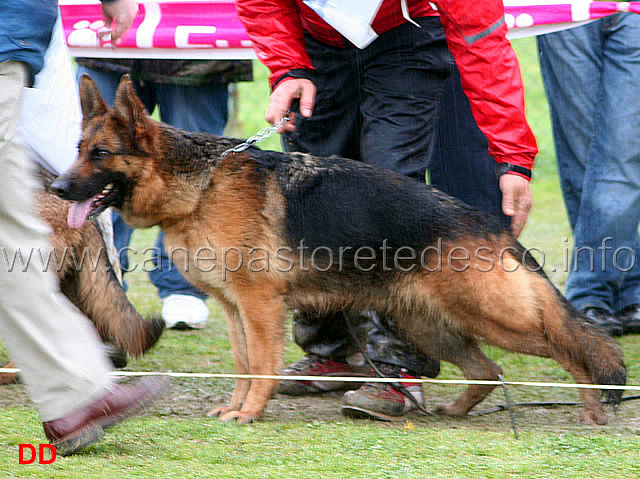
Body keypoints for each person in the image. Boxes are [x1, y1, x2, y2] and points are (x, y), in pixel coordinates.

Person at [236, 0, 537, 419]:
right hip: (316, 45)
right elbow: (261, 3)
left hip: (406, 38)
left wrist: (513, 158)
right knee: (312, 190)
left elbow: (483, 45)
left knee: (391, 188)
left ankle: (398, 366)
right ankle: (333, 351)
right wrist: (288, 67)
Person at [0, 0, 169, 456]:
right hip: (11, 45)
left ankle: (75, 394)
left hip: (14, 49)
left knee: (13, 232)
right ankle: (76, 391)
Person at [75, 58, 252, 329]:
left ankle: (182, 287)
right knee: (99, 164)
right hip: (106, 50)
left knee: (194, 174)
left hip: (196, 53)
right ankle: (100, 288)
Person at [538, 13, 640, 337]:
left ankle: (591, 292)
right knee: (581, 152)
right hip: (564, 10)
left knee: (624, 148)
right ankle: (627, 285)